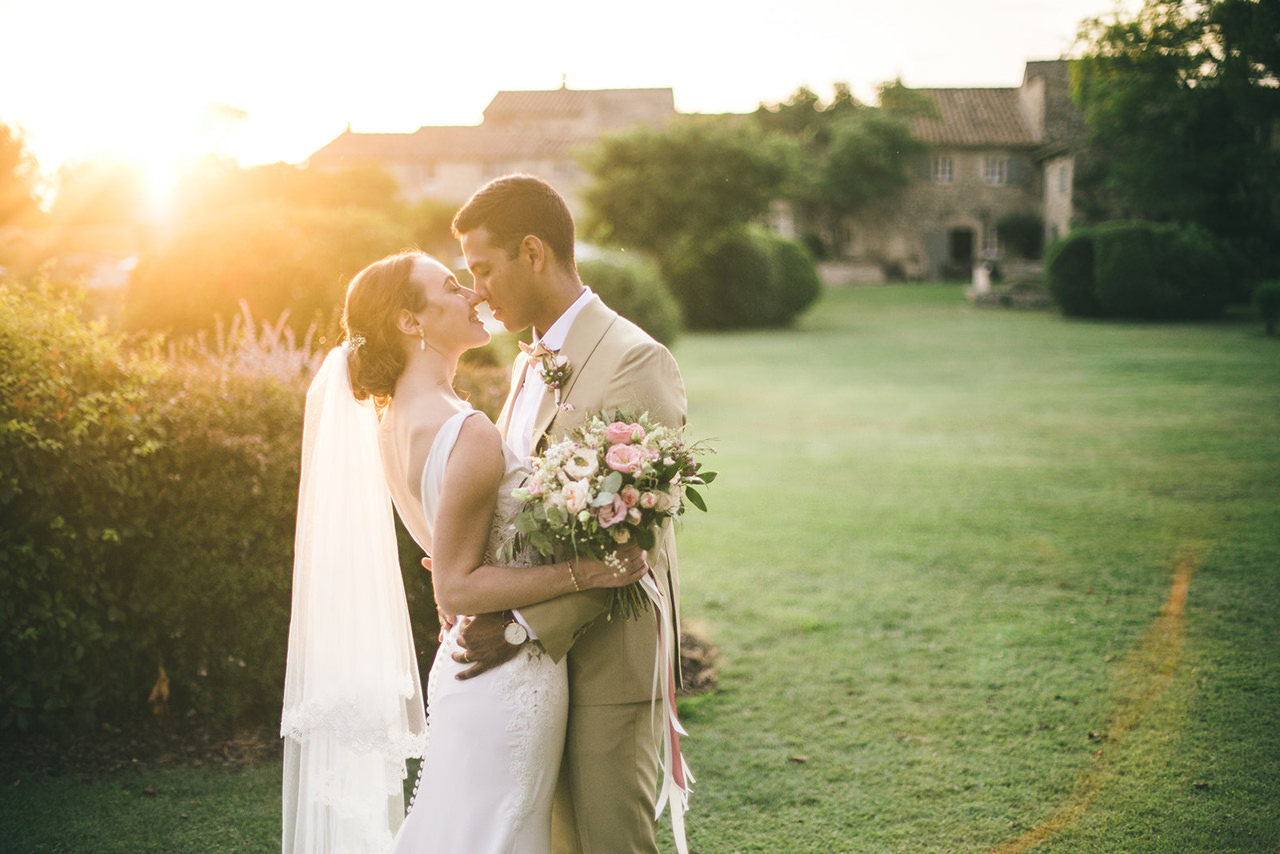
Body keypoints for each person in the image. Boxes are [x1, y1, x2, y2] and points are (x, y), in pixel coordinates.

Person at [282, 250, 649, 854]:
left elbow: (449, 558)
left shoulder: (392, 420)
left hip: (466, 666)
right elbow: (455, 587)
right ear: (409, 321)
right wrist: (589, 570)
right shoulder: (468, 430)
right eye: (452, 288)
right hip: (504, 676)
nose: (473, 296)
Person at [451, 175, 689, 854]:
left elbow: (636, 534)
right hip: (537, 673)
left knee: (611, 843)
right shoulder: (529, 362)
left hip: (607, 667)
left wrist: (522, 624)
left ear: (533, 252)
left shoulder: (633, 359)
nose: (475, 290)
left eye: (482, 269)